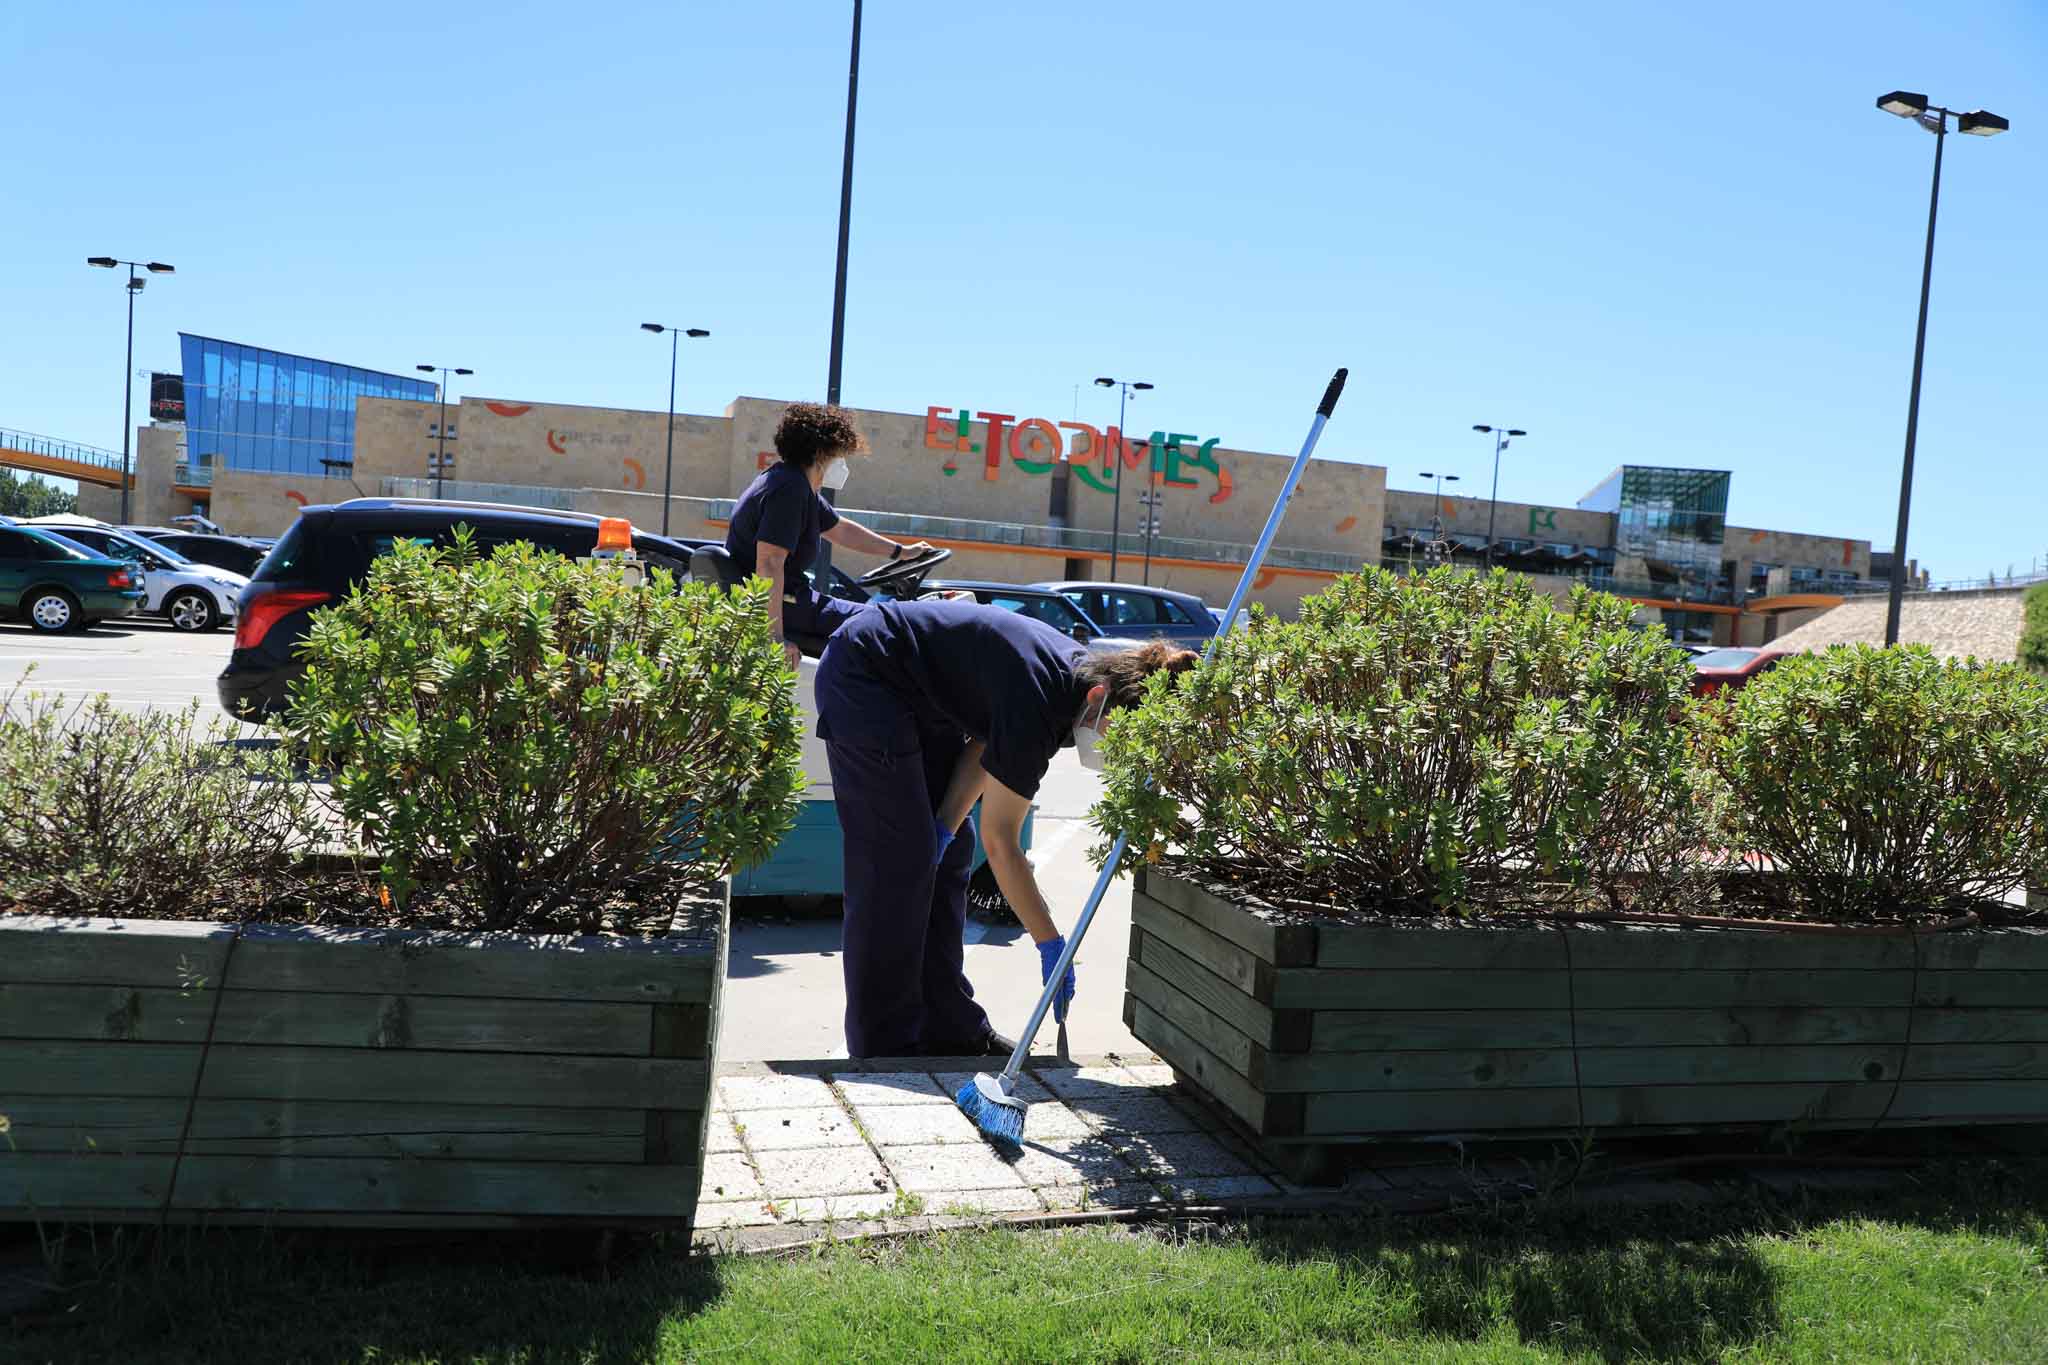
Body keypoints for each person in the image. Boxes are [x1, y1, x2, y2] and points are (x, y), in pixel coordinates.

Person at [813, 596, 1198, 1057]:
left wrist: (944, 828)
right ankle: (883, 1046)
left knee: (951, 851)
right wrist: (1050, 942)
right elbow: (1002, 843)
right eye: (1120, 735)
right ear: (1100, 698)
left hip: (918, 694)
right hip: (867, 672)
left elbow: (986, 741)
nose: (1117, 751)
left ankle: (950, 1026)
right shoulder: (1042, 699)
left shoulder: (1076, 687)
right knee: (897, 865)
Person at [725, 402, 934, 668]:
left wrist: (901, 552)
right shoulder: (789, 489)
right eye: (839, 455)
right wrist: (772, 638)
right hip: (788, 605)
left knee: (885, 619)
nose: (842, 463)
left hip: (794, 602)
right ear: (820, 453)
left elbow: (842, 530)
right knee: (889, 623)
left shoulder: (793, 484)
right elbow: (769, 562)